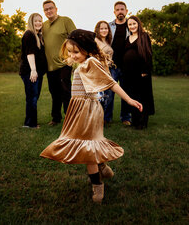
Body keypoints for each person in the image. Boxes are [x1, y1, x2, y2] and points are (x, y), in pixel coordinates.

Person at [40, 29, 143, 203]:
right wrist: (71, 59)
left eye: (76, 52)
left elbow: (110, 83)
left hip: (88, 110)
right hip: (77, 108)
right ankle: (101, 166)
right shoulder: (82, 62)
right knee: (84, 143)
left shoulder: (91, 62)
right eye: (70, 51)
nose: (72, 55)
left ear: (86, 49)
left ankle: (97, 185)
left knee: (87, 148)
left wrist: (129, 99)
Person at [42, 0, 76, 126]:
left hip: (64, 64)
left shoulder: (65, 21)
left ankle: (70, 118)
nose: (48, 11)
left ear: (56, 9)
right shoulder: (44, 25)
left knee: (66, 92)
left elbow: (75, 38)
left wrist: (72, 57)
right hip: (50, 66)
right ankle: (56, 118)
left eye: (51, 8)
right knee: (54, 93)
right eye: (46, 9)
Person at [123, 15, 155, 129]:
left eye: (134, 24)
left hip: (141, 73)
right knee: (133, 96)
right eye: (130, 24)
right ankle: (135, 120)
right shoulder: (128, 38)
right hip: (129, 73)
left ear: (138, 24)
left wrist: (145, 70)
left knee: (143, 96)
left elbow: (148, 53)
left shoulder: (144, 36)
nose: (132, 26)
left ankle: (143, 122)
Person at [19, 13, 48, 128]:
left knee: (34, 97)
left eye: (40, 21)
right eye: (35, 21)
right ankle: (31, 124)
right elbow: (30, 54)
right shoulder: (29, 34)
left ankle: (30, 122)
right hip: (30, 72)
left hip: (37, 71)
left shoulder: (38, 35)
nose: (38, 23)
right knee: (32, 97)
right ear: (31, 22)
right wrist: (33, 70)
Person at [107, 1, 132, 125]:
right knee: (109, 93)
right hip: (112, 66)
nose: (120, 11)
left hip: (127, 66)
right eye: (117, 9)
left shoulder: (131, 25)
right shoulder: (109, 26)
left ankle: (126, 118)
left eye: (122, 9)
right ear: (114, 12)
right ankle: (107, 118)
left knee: (125, 92)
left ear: (126, 11)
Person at [94, 21, 114, 121]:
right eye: (101, 28)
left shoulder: (108, 41)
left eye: (106, 28)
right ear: (97, 30)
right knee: (100, 96)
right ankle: (98, 118)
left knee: (108, 95)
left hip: (108, 70)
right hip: (99, 70)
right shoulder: (95, 41)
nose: (104, 30)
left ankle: (106, 118)